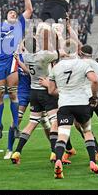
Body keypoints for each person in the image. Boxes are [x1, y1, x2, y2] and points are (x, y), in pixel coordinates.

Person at [47, 41, 98, 179]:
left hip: (65, 104)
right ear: (77, 50)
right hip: (82, 104)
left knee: (63, 135)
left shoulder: (56, 67)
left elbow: (51, 90)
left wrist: (65, 92)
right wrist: (94, 97)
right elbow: (95, 80)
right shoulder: (83, 64)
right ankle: (92, 162)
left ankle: (58, 160)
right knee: (87, 132)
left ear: (64, 51)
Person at [0, 0, 33, 146]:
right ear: (5, 17)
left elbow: (29, 10)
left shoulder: (19, 25)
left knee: (13, 93)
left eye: (15, 13)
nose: (13, 14)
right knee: (0, 94)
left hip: (11, 61)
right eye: (11, 13)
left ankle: (15, 124)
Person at [10, 37, 60, 165]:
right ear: (36, 44)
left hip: (33, 92)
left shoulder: (26, 56)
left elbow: (27, 70)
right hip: (45, 90)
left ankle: (17, 152)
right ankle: (54, 152)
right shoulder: (43, 56)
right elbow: (58, 53)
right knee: (54, 121)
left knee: (32, 123)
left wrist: (18, 59)